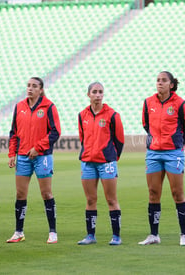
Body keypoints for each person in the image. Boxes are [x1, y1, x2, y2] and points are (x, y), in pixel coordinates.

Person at [139, 71, 185, 246]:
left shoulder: (181, 104)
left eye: (164, 80)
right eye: (157, 80)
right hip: (154, 153)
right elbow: (146, 124)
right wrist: (156, 141)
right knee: (153, 193)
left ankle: (184, 235)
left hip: (173, 153)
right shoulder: (148, 103)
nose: (159, 83)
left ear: (171, 84)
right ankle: (154, 235)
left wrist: (175, 144)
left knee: (177, 193)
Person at [7, 77, 61, 244]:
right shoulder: (20, 106)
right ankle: (18, 232)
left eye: (34, 86)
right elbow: (13, 132)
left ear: (41, 89)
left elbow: (55, 132)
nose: (30, 88)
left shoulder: (49, 107)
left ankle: (53, 232)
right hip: (23, 157)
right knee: (20, 194)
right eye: (28, 85)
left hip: (42, 157)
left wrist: (38, 147)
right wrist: (12, 153)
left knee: (46, 193)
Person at [77, 82, 125, 246]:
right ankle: (90, 235)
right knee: (90, 200)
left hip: (106, 162)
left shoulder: (112, 115)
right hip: (88, 162)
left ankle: (116, 236)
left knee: (111, 200)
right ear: (88, 94)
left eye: (100, 92)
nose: (98, 95)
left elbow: (119, 140)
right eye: (94, 92)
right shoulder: (82, 115)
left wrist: (111, 157)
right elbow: (82, 137)